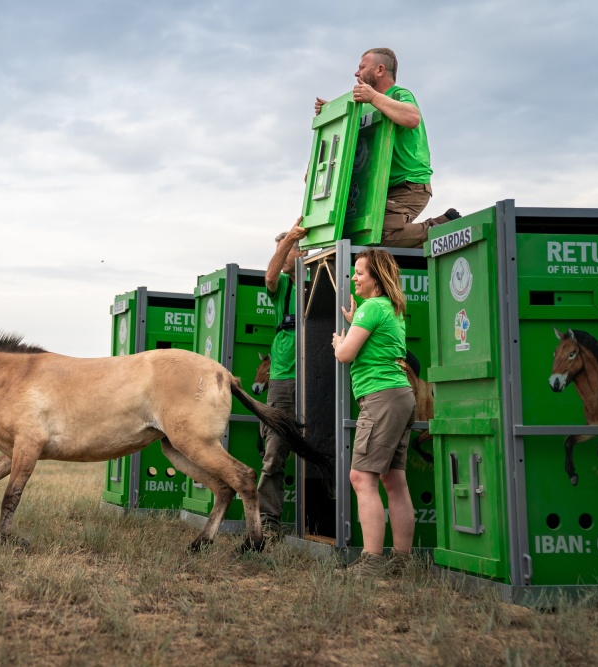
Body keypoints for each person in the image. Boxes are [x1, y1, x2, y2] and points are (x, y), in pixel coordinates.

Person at [315, 48, 460, 248]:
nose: (356, 73)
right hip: (379, 190)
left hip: (408, 186)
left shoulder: (399, 95)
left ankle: (446, 226)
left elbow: (412, 118)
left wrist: (374, 97)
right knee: (357, 235)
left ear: (380, 70)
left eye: (362, 67)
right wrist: (333, 113)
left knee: (377, 235)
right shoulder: (367, 106)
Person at [331, 249, 416, 577]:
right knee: (394, 480)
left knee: (361, 477)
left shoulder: (371, 308)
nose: (354, 277)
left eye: (360, 272)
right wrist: (356, 322)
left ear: (376, 279)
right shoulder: (390, 308)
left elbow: (346, 354)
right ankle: (401, 561)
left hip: (381, 399)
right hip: (400, 396)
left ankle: (371, 563)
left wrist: (339, 343)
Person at [257, 217, 308, 541]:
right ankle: (268, 523)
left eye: (287, 249)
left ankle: (322, 523)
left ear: (302, 253)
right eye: (279, 249)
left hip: (317, 378)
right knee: (274, 451)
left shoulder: (320, 278)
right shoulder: (282, 288)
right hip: (284, 381)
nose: (281, 254)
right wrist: (289, 238)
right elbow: (270, 276)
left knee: (325, 447)